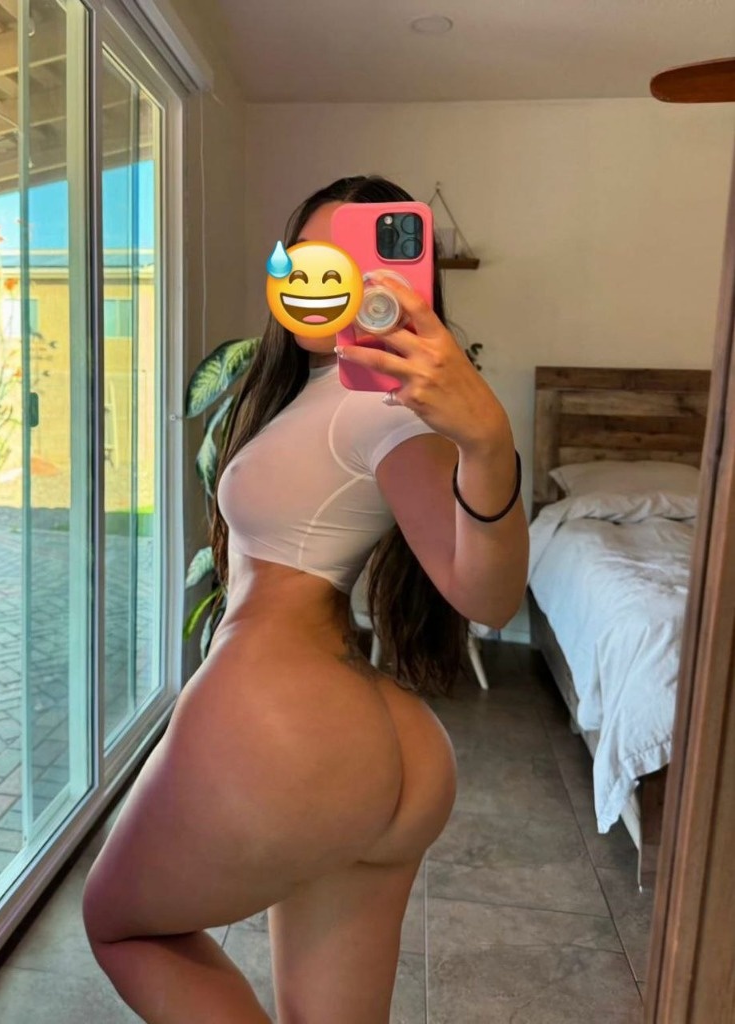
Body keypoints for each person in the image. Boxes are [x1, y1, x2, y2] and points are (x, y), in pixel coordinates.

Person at [82, 174, 529, 1023]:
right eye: (305, 260)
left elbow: (486, 594)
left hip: (287, 723)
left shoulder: (385, 409)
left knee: (122, 926)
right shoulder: (328, 394)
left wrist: (488, 444)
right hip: (375, 744)